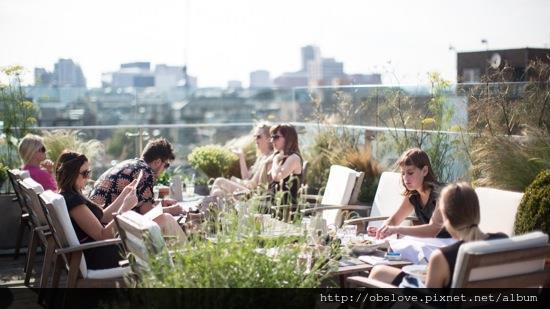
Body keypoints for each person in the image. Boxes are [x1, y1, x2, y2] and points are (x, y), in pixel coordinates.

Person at [368, 183, 507, 289]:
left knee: (378, 272)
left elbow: (428, 302)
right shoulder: (503, 241)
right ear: (476, 212)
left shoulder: (442, 257)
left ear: (446, 218)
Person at [89, 138, 186, 241]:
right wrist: (172, 210)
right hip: (111, 233)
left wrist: (160, 203)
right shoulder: (145, 172)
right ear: (157, 162)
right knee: (167, 220)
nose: (164, 169)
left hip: (95, 228)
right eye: (166, 165)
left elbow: (137, 204)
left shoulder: (129, 164)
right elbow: (146, 213)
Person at [55, 151, 138, 269]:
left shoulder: (70, 194)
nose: (88, 177)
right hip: (98, 256)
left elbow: (103, 217)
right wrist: (124, 209)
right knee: (157, 228)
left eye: (88, 172)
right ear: (71, 174)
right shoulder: (73, 202)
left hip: (95, 250)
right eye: (84, 173)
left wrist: (124, 195)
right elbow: (103, 236)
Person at [368, 148, 450, 239]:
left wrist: (396, 230)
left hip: (455, 244)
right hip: (434, 243)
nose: (405, 178)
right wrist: (382, 230)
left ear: (424, 171)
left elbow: (433, 230)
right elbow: (394, 220)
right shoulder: (413, 196)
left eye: (410, 173)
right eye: (403, 173)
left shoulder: (442, 194)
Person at [210, 123, 274, 197]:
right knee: (217, 193)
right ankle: (210, 207)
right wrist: (241, 156)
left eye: (258, 136)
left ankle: (206, 207)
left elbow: (252, 185)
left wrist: (234, 180)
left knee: (219, 181)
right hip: (249, 192)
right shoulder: (261, 157)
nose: (255, 139)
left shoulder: (269, 159)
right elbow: (246, 177)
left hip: (254, 196)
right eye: (254, 136)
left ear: (269, 139)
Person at [268, 123, 303, 206]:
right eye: (272, 137)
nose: (272, 141)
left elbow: (277, 177)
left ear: (288, 139)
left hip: (286, 210)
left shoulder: (294, 158)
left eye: (276, 137)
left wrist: (275, 159)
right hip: (276, 205)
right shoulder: (281, 157)